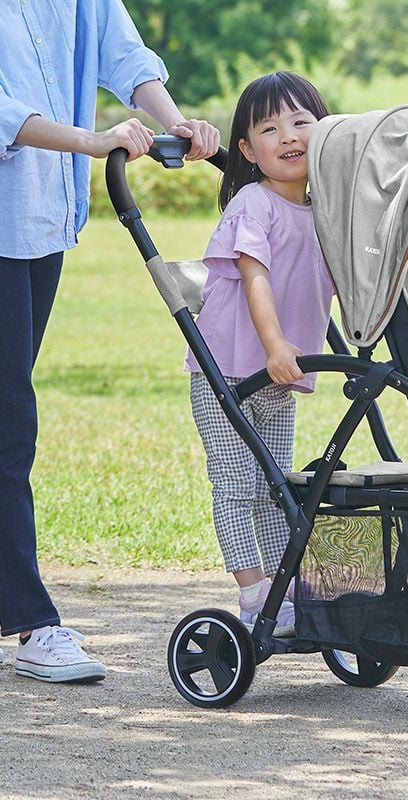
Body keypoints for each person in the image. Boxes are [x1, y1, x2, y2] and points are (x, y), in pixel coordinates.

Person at [1, 0, 219, 683]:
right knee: (9, 422)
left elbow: (122, 54)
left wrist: (173, 121)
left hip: (37, 220)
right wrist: (90, 141)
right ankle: (32, 621)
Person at [186, 72, 334, 636]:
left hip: (280, 377)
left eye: (301, 122)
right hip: (230, 372)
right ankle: (254, 595)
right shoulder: (254, 203)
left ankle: (284, 587)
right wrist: (275, 344)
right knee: (236, 485)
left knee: (277, 488)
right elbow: (256, 277)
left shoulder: (325, 212)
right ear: (248, 150)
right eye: (270, 129)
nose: (289, 135)